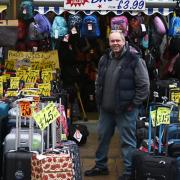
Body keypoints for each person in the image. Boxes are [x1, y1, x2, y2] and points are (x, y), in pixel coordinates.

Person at [84, 31, 150, 180]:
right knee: (102, 138)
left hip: (126, 110)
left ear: (124, 41)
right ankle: (101, 166)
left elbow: (144, 85)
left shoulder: (134, 59)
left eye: (118, 41)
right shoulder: (104, 58)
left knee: (127, 142)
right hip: (106, 109)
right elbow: (98, 80)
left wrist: (133, 104)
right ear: (109, 42)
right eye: (112, 41)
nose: (115, 44)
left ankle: (129, 172)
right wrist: (99, 100)